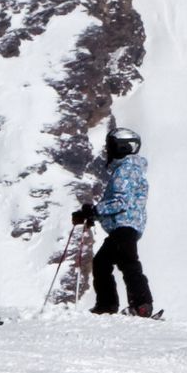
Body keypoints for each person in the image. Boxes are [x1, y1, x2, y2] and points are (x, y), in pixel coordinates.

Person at [74, 127, 157, 316]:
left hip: (124, 226)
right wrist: (94, 214)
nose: (107, 150)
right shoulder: (131, 168)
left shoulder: (126, 169)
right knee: (105, 263)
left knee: (126, 264)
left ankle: (135, 305)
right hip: (126, 225)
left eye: (110, 146)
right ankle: (116, 305)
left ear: (121, 148)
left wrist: (95, 211)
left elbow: (120, 202)